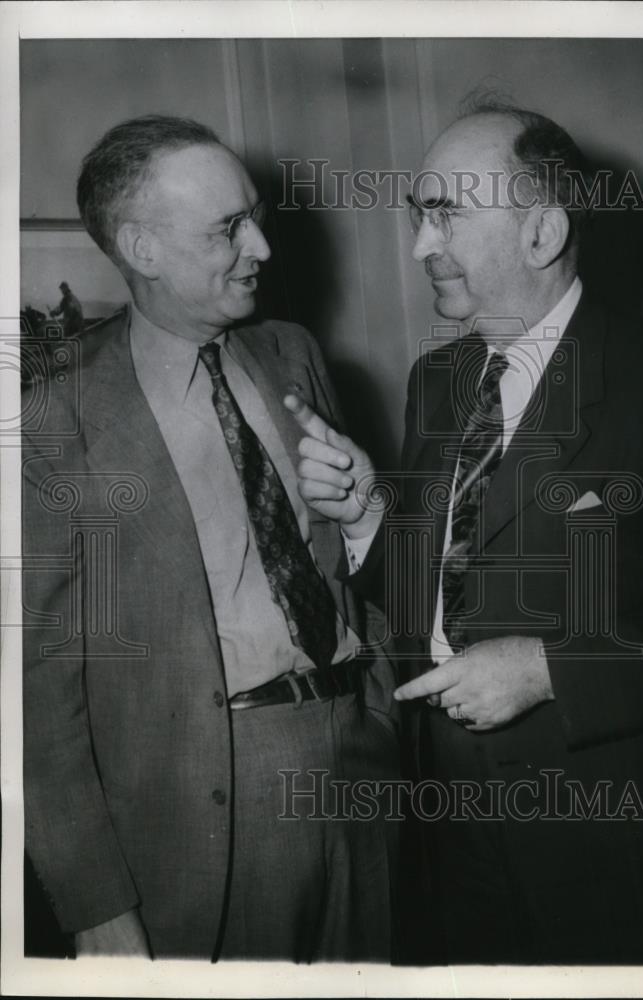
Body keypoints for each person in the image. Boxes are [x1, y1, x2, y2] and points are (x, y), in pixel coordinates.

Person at [289, 97, 643, 964]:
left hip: (605, 840)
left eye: (446, 214)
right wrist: (366, 513)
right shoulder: (436, 382)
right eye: (419, 216)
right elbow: (433, 592)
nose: (420, 245)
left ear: (542, 232)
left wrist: (551, 669)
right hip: (444, 827)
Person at [23, 114, 398, 962]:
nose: (260, 246)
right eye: (227, 229)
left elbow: (347, 560)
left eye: (254, 217)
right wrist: (94, 904)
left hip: (359, 764)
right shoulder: (55, 414)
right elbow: (36, 688)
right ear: (142, 248)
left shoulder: (292, 352)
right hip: (207, 802)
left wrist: (364, 520)